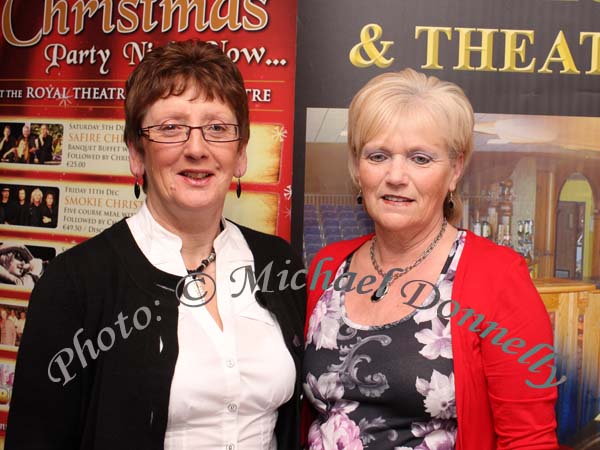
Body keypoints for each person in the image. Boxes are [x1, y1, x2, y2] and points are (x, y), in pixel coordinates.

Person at [7, 40, 305, 450]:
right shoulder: (74, 283)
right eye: (171, 128)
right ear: (136, 154)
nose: (197, 148)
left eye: (217, 128)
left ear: (240, 155)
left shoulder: (279, 263)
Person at [302, 69, 558, 449]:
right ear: (358, 167)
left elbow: (528, 440)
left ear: (454, 169)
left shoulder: (498, 276)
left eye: (420, 158)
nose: (396, 176)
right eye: (378, 155)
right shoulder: (329, 265)